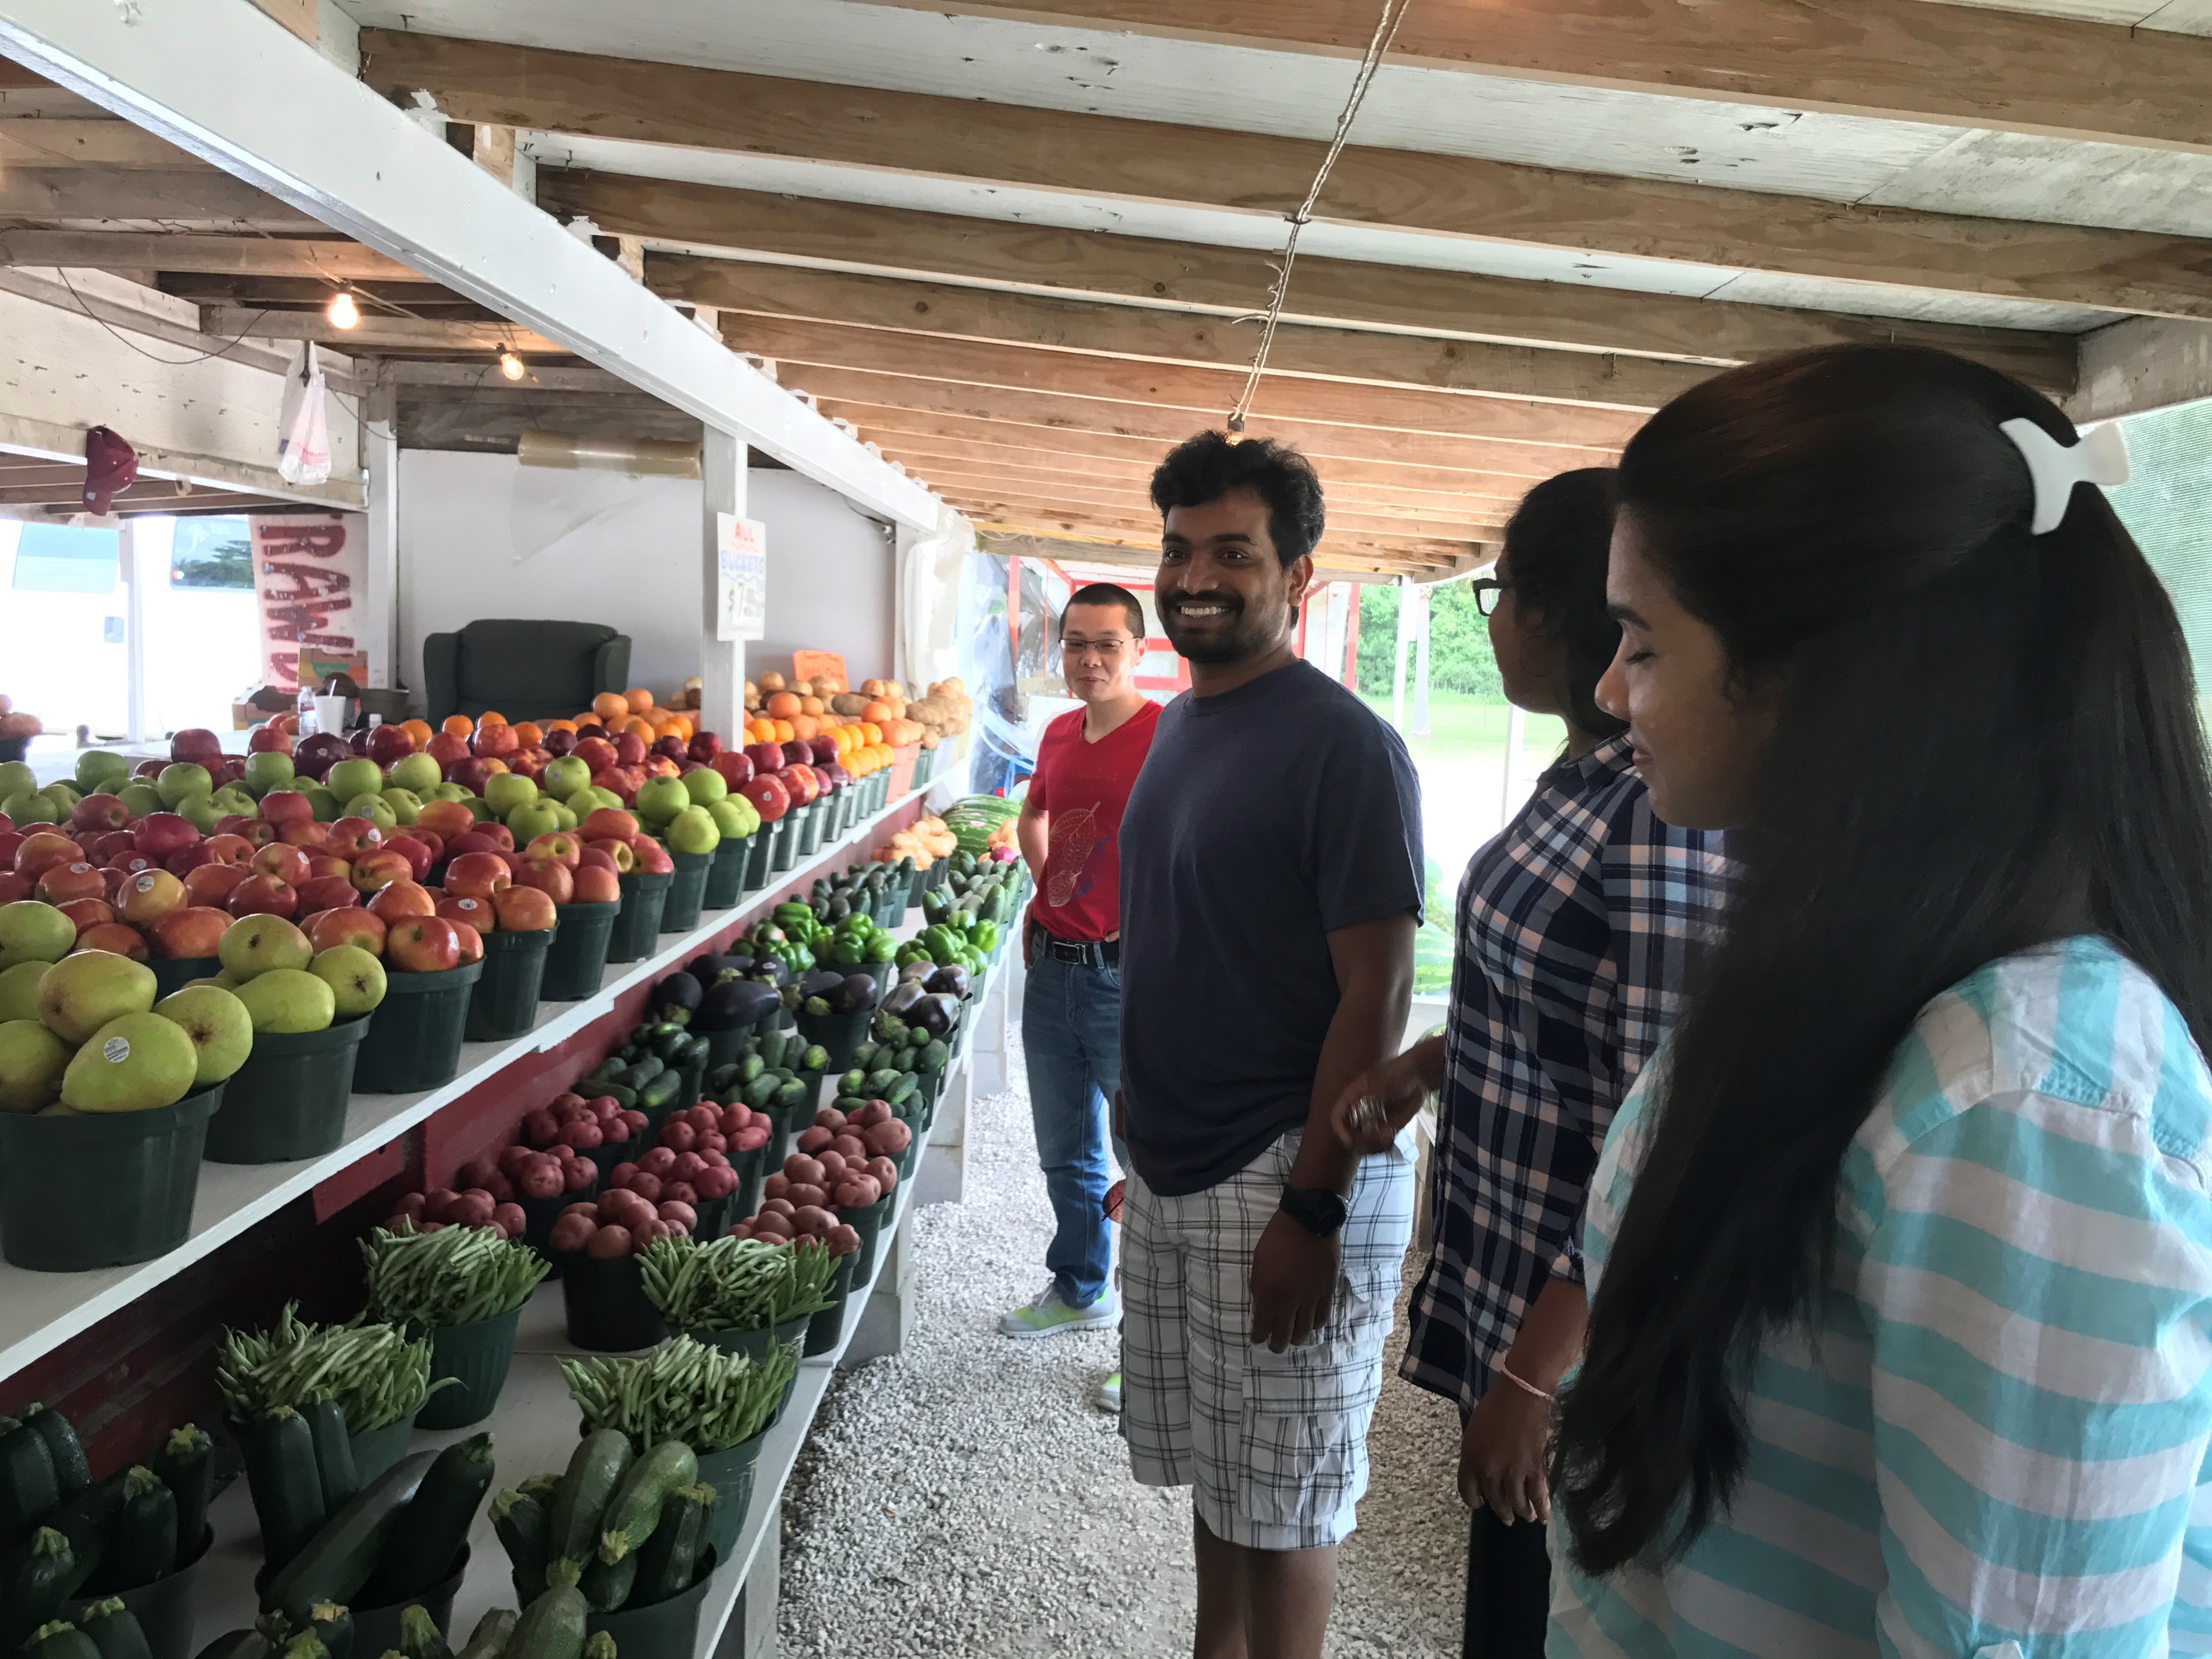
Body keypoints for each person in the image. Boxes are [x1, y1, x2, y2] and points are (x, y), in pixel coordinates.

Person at [1536, 343, 2212, 1652]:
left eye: (1641, 640)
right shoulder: (1872, 984)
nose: (1612, 696)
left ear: (1808, 674)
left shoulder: (2036, 1096)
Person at [1329, 469, 1729, 1658]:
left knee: (1539, 1613)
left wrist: (1535, 1377)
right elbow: (1572, 1006)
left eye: (1497, 591)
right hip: (1521, 1276)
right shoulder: (1584, 772)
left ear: (1550, 612)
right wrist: (1435, 1062)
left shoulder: (1661, 805)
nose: (1490, 620)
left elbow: (1667, 1112)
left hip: (1585, 1328)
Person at [1116, 431, 1425, 1659]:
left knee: (1289, 1507)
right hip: (1183, 1162)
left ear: (1301, 574)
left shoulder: (1344, 747)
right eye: (1180, 549)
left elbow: (1380, 993)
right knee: (1220, 1482)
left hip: (1280, 1172)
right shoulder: (1185, 721)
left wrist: (1316, 1206)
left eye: (1233, 553)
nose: (1197, 575)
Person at [1002, 583, 1161, 1392]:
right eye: (1075, 644)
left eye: (1107, 644)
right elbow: (1035, 817)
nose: (1090, 658)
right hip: (1053, 972)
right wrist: (1048, 888)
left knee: (1150, 1166)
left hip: (1129, 977)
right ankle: (1080, 1288)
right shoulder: (1060, 733)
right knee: (1066, 1153)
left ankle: (1151, 1347)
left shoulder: (1169, 735)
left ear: (1139, 650)